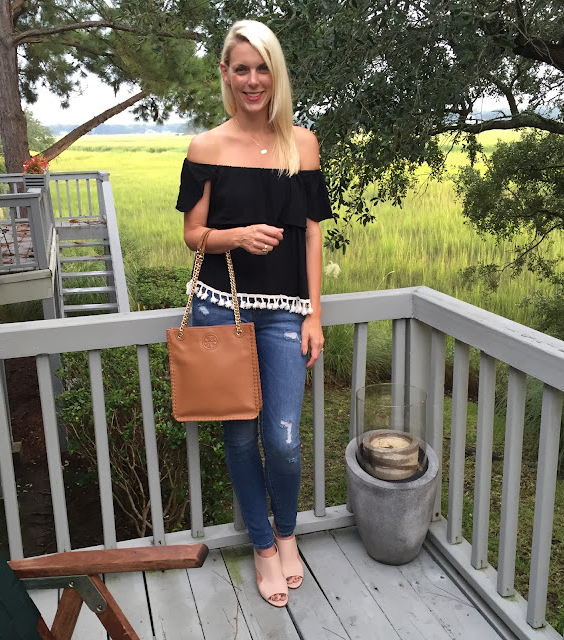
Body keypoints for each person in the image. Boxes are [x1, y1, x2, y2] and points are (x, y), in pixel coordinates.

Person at [175, 19, 332, 608]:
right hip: (222, 310)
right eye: (241, 68)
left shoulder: (303, 144)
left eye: (263, 67)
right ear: (225, 73)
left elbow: (313, 236)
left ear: (276, 73)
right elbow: (193, 235)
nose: (252, 79)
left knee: (284, 439)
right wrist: (237, 236)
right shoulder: (206, 148)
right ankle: (265, 547)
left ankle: (287, 534)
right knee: (240, 438)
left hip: (286, 314)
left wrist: (313, 315)